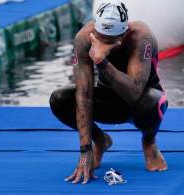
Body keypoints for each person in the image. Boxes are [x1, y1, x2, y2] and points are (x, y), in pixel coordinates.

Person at [49, 0, 168, 185]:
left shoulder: (141, 37)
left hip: (140, 102)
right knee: (59, 99)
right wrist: (85, 149)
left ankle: (149, 142)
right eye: (100, 38)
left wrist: (101, 61)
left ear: (124, 32)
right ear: (95, 30)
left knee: (152, 102)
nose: (103, 45)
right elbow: (84, 95)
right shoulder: (84, 38)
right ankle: (100, 140)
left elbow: (134, 93)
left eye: (110, 41)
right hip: (109, 100)